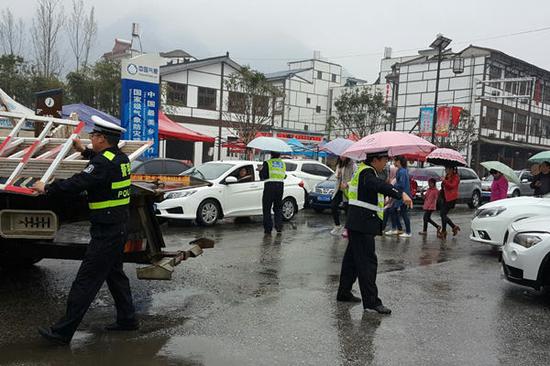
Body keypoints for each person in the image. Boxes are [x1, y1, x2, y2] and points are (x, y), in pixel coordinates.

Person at [32, 116, 137, 345]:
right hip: (118, 227)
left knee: (86, 280)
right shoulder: (120, 157)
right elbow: (101, 164)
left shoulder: (103, 163)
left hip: (107, 231)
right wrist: (84, 151)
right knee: (114, 274)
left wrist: (46, 187)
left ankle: (62, 332)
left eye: (92, 136)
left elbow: (79, 182)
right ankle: (128, 319)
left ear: (101, 138)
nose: (90, 139)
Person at [336, 151, 412, 315]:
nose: (386, 163)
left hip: (357, 222)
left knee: (351, 261)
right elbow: (378, 185)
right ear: (375, 159)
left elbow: (368, 191)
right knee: (368, 264)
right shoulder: (367, 172)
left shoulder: (362, 171)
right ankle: (371, 302)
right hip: (363, 224)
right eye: (384, 160)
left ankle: (344, 293)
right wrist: (400, 193)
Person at [259, 151, 286, 234]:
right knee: (278, 207)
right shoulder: (282, 164)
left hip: (270, 186)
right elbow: (284, 175)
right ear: (279, 155)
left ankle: (268, 228)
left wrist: (260, 170)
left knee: (267, 208)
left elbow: (263, 176)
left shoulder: (267, 163)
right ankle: (279, 227)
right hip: (280, 186)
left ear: (271, 154)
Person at [388, 156, 412, 238]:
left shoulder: (402, 172)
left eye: (394, 161)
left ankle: (408, 232)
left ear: (398, 161)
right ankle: (398, 228)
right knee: (393, 210)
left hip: (403, 195)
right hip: (401, 194)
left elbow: (401, 184)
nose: (394, 162)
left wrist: (394, 186)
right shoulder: (400, 170)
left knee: (403, 212)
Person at [330, 156, 355, 236]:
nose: (342, 156)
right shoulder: (339, 164)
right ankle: (337, 225)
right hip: (339, 189)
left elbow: (355, 178)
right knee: (333, 206)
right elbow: (336, 176)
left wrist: (347, 184)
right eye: (340, 155)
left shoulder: (352, 165)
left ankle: (348, 229)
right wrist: (337, 175)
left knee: (347, 210)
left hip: (347, 190)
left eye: (343, 155)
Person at [438, 166, 460, 239]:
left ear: (451, 169)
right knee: (443, 215)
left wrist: (444, 180)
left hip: (451, 198)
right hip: (444, 197)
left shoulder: (456, 177)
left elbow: (452, 186)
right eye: (445, 169)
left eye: (446, 168)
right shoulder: (447, 176)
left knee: (443, 214)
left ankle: (446, 230)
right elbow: (444, 186)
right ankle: (451, 228)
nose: (445, 170)